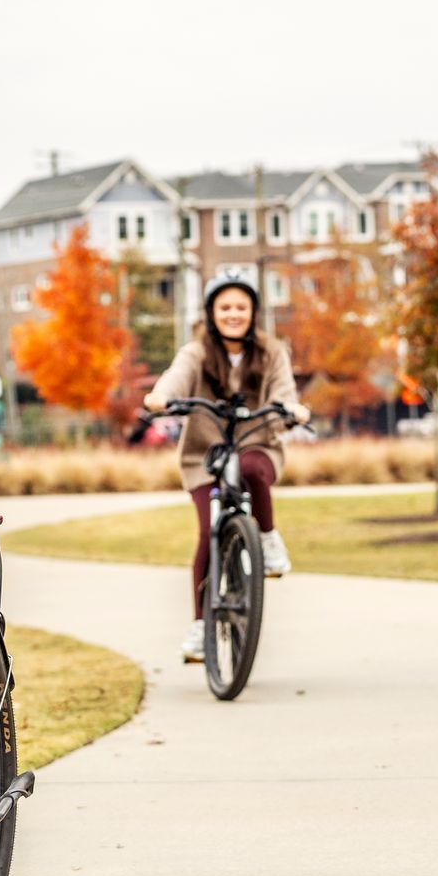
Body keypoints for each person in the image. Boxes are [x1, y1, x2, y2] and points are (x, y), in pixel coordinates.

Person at [143, 272, 310, 662]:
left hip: (258, 447)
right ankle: (202, 625)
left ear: (253, 313)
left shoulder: (272, 353)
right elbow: (175, 379)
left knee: (250, 468)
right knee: (208, 532)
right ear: (212, 313)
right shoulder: (197, 352)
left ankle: (266, 538)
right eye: (225, 307)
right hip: (205, 458)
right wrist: (161, 396)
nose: (233, 314)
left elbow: (285, 395)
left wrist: (293, 409)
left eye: (241, 307)